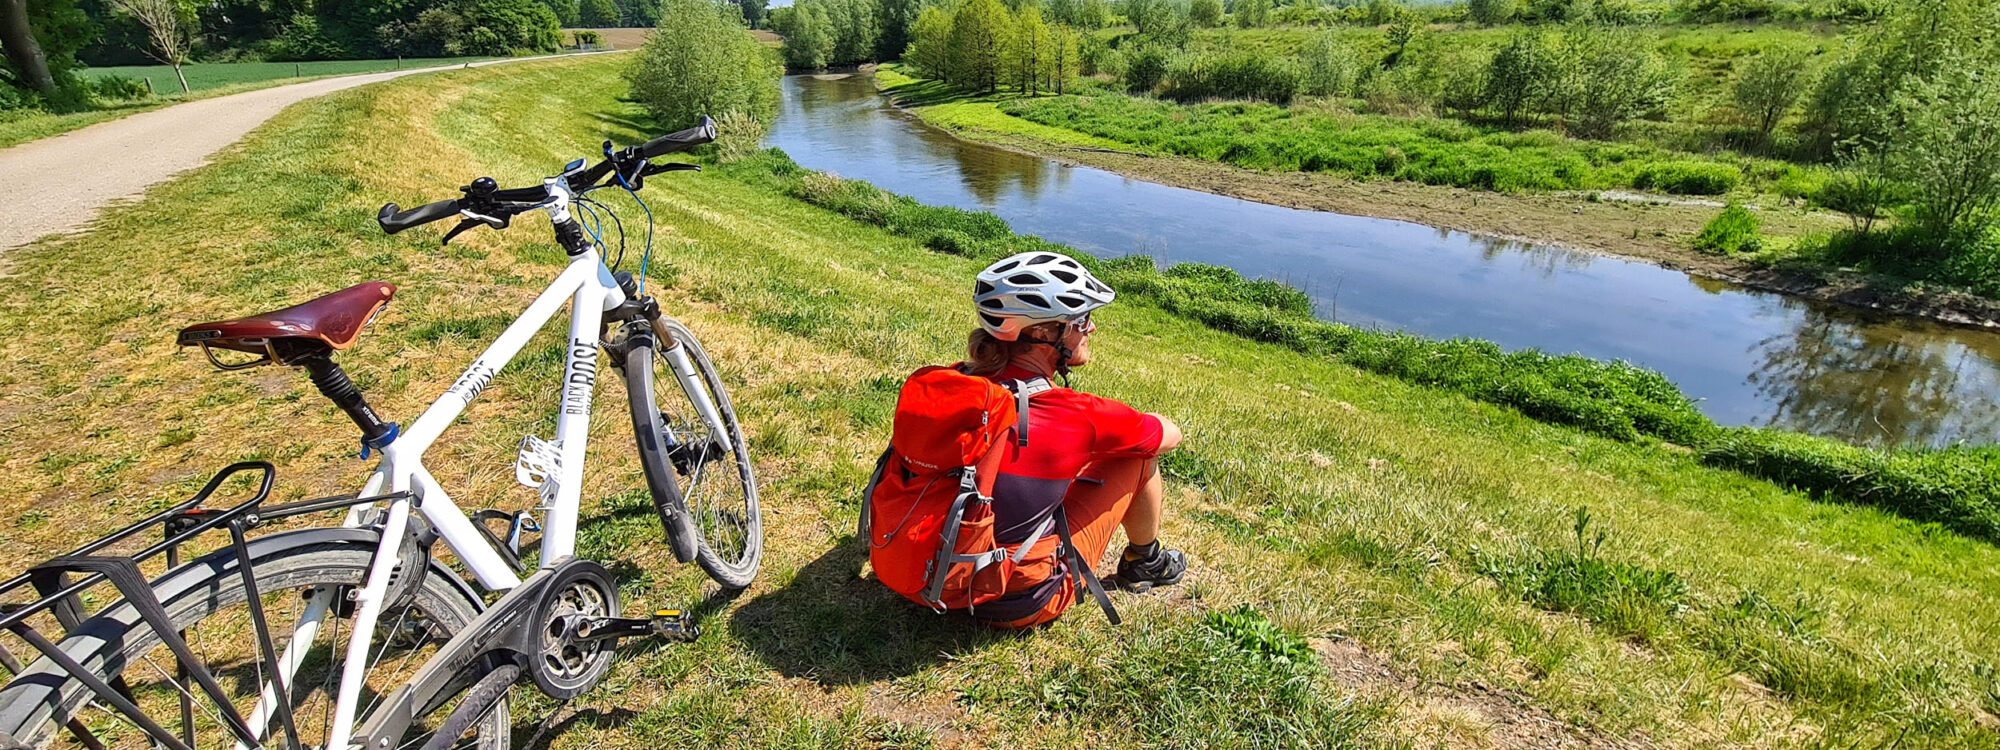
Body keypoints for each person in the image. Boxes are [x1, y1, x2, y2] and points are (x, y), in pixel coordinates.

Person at [965, 251, 1186, 628]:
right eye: (1081, 319)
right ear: (1042, 334)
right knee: (1138, 455)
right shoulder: (1071, 412)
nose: (1091, 329)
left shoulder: (956, 383)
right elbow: (1168, 435)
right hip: (1014, 599)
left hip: (928, 572)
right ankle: (1145, 562)